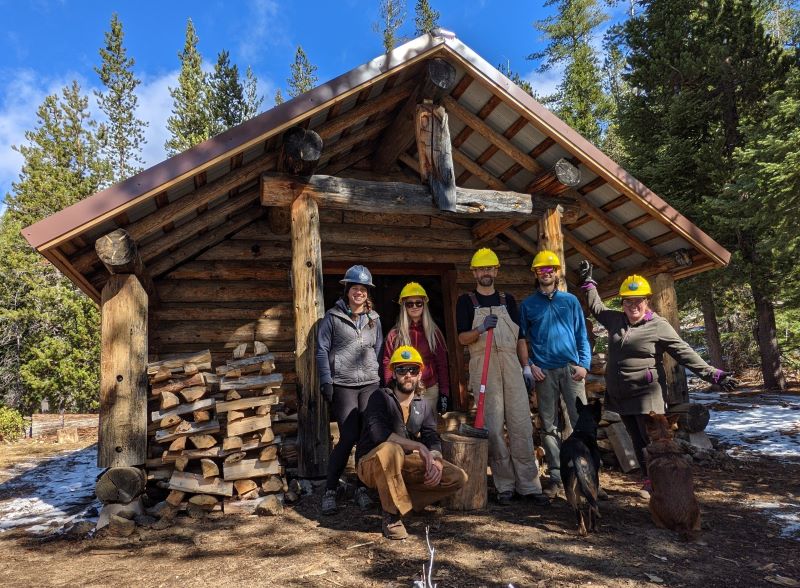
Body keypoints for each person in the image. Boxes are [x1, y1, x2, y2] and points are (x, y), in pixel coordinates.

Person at [578, 262, 738, 495]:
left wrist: (713, 374)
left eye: (638, 300)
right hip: (621, 395)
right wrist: (589, 284)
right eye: (628, 301)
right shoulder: (616, 320)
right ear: (622, 302)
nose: (633, 305)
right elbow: (597, 308)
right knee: (637, 440)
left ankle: (664, 482)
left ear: (647, 302)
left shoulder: (658, 326)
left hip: (647, 394)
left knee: (653, 441)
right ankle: (649, 479)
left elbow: (684, 352)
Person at [455, 248, 549, 506]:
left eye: (490, 268)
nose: (486, 273)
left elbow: (520, 338)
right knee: (493, 427)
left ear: (496, 270)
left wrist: (526, 367)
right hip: (484, 368)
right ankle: (505, 486)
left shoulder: (509, 300)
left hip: (511, 364)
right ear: (474, 272)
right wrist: (480, 328)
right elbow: (463, 338)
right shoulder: (466, 301)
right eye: (481, 269)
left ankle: (529, 486)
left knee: (521, 425)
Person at [356, 345, 468, 539]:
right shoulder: (379, 397)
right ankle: (391, 516)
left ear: (419, 374)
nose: (407, 375)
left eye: (413, 370)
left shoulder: (422, 405)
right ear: (393, 374)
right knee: (391, 450)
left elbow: (431, 436)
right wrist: (418, 446)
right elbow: (380, 436)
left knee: (457, 476)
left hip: (402, 463)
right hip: (371, 463)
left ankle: (400, 500)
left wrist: (437, 460)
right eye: (401, 370)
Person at [518, 250, 592, 497]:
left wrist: (584, 364)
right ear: (535, 274)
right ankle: (556, 477)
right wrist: (530, 365)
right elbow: (522, 339)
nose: (545, 273)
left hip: (571, 369)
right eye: (541, 270)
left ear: (557, 273)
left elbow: (582, 334)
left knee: (579, 422)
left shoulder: (570, 301)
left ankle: (587, 475)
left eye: (550, 269)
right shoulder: (528, 305)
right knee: (549, 426)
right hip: (544, 372)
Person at [316, 264, 383, 515]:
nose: (359, 293)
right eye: (355, 288)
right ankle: (330, 490)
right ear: (347, 290)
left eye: (363, 289)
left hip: (369, 383)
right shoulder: (332, 318)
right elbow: (322, 350)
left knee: (367, 436)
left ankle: (361, 488)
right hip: (343, 384)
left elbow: (378, 348)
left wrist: (375, 374)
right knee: (348, 437)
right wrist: (326, 380)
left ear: (367, 292)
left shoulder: (374, 320)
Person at [382, 282, 450, 414]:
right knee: (406, 431)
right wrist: (389, 389)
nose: (414, 306)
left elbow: (442, 364)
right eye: (409, 303)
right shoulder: (395, 334)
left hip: (429, 388)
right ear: (404, 307)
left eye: (418, 303)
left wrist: (444, 392)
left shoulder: (434, 333)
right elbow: (387, 362)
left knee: (429, 430)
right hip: (403, 389)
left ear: (424, 305)